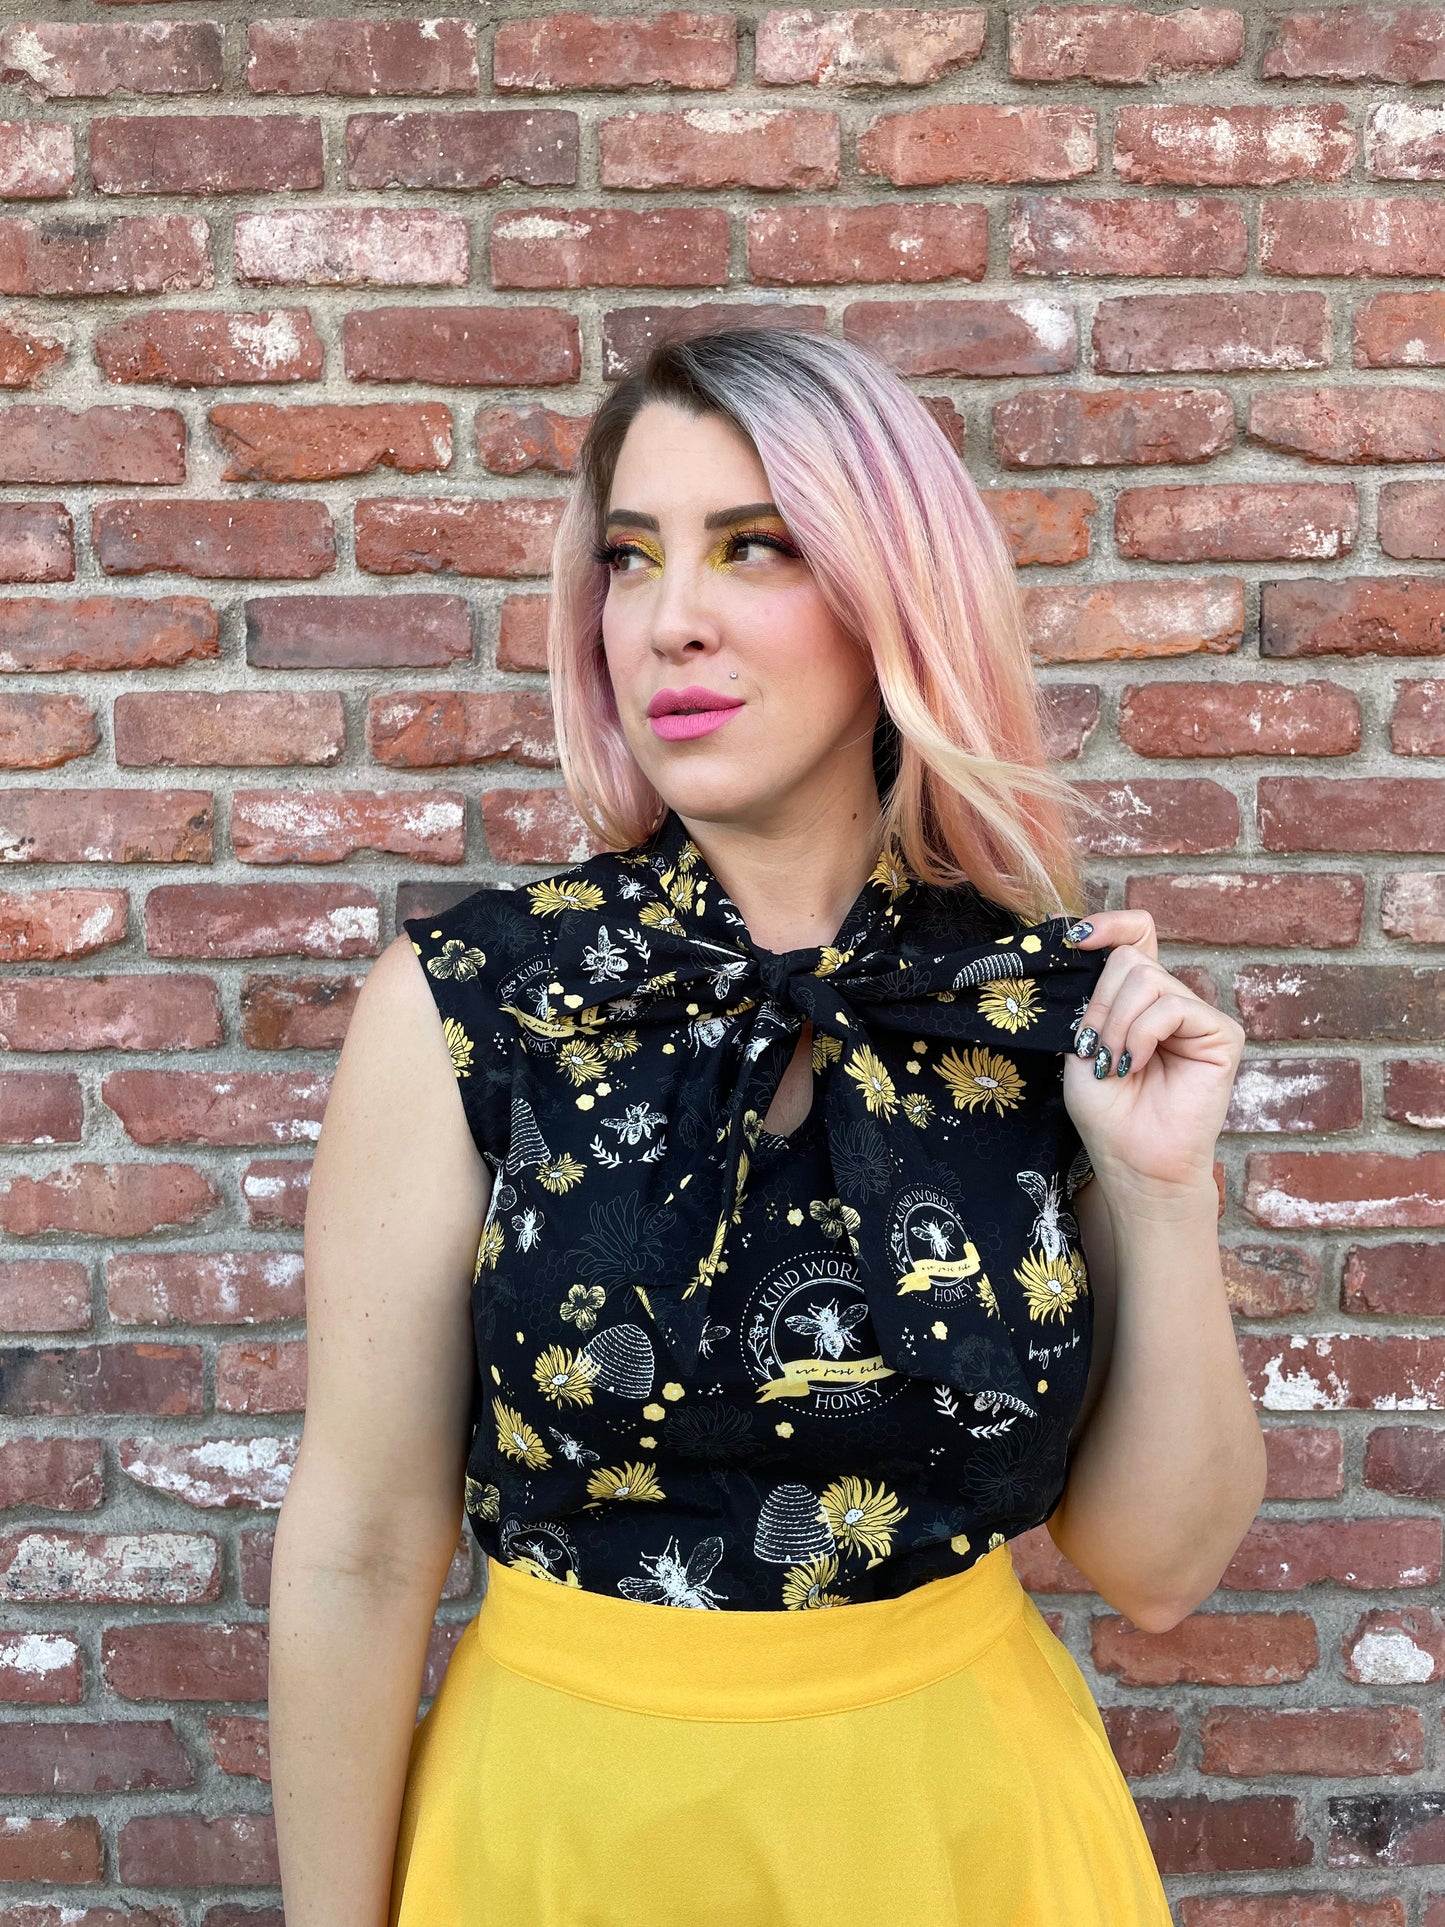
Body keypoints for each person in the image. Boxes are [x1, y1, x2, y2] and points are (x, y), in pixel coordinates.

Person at [268, 326, 1265, 1927]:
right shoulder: (478, 1002)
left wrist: (1160, 1189)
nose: (669, 619)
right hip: (562, 1841)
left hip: (965, 1838)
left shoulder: (1027, 1005)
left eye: (755, 547)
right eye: (629, 558)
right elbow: (363, 1546)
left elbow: (1158, 1570)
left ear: (893, 595)